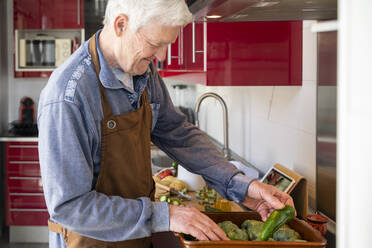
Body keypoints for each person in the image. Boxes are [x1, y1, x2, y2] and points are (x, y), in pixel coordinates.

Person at [38, 0, 295, 247]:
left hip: (135, 238)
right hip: (90, 243)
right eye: (155, 43)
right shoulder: (68, 97)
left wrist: (241, 186)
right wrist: (166, 215)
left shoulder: (142, 72)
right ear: (120, 25)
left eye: (168, 45)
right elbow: (69, 206)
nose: (162, 56)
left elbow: (177, 133)